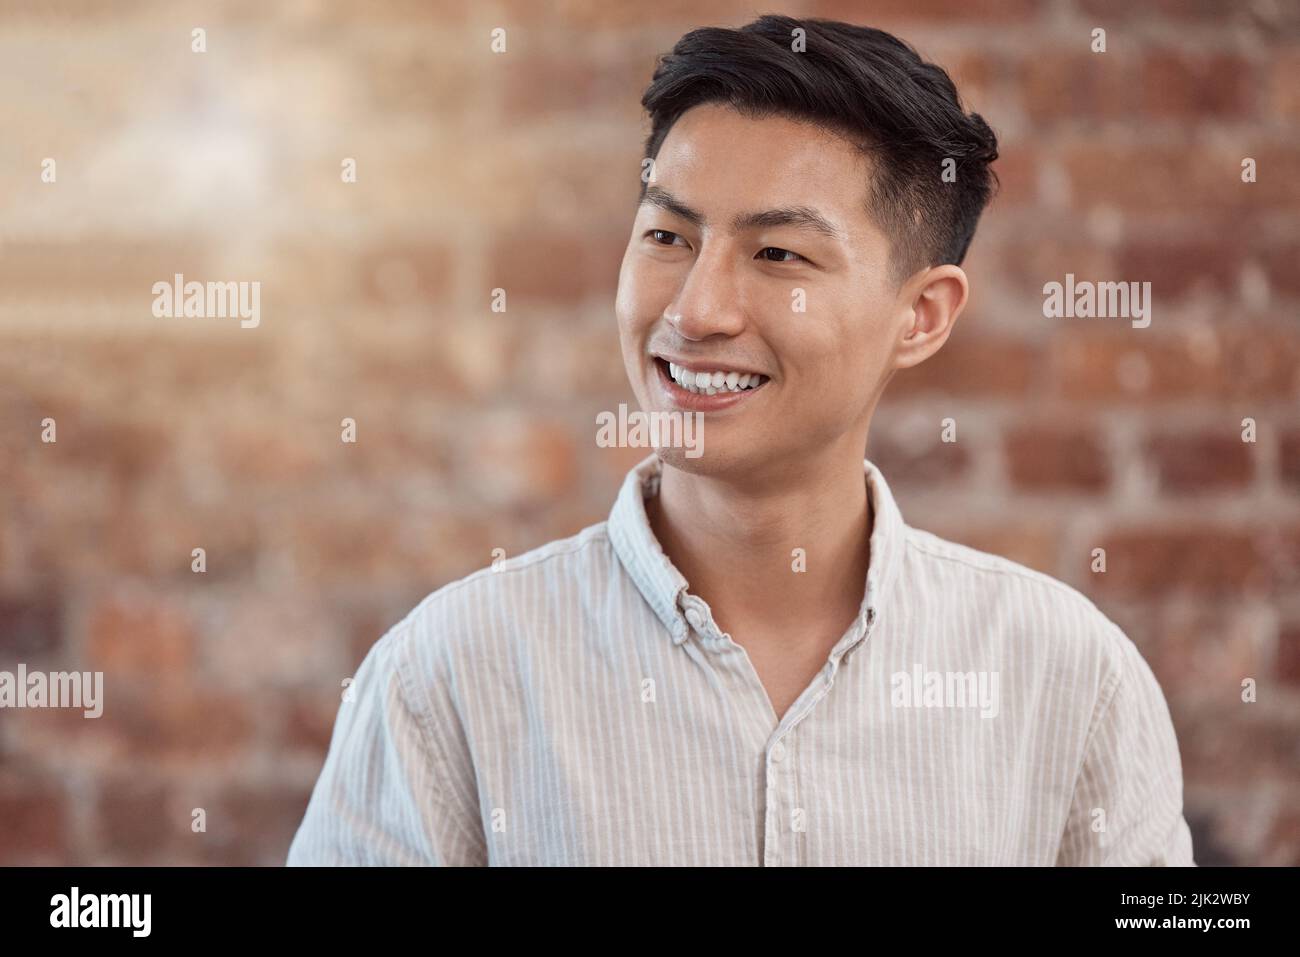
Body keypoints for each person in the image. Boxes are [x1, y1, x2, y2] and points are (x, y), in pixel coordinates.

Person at [287, 14, 1194, 866]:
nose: (694, 310)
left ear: (920, 316)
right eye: (668, 236)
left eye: (778, 255)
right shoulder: (447, 674)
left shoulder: (1068, 679)